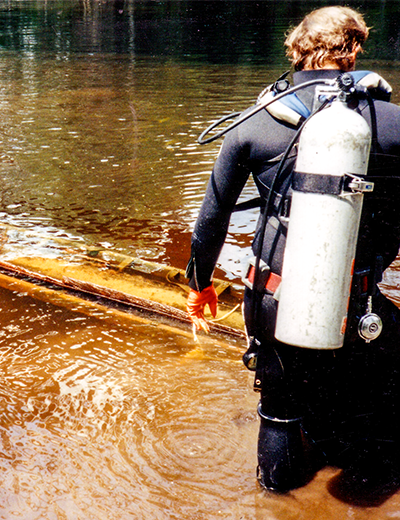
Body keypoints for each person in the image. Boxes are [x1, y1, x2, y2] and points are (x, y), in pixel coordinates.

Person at [187, 6, 400, 493]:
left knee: (279, 414)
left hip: (275, 303)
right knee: (375, 414)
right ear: (355, 48)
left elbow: (210, 222)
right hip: (361, 305)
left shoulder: (254, 123)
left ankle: (277, 500)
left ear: (296, 48)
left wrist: (200, 288)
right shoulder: (392, 123)